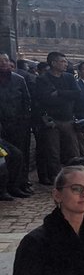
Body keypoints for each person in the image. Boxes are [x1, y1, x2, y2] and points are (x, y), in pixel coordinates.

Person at [34, 51, 82, 183]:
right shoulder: (43, 79)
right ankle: (57, 180)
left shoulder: (69, 78)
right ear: (53, 63)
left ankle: (75, 177)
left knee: (73, 151)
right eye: (62, 61)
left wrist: (59, 93)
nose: (65, 64)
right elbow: (45, 99)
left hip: (68, 119)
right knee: (53, 152)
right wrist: (66, 97)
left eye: (66, 62)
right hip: (52, 120)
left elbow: (77, 94)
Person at [1, 53, 33, 191]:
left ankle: (20, 184)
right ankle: (5, 187)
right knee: (5, 157)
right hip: (1, 126)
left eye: (5, 60)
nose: (3, 63)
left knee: (22, 155)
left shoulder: (19, 79)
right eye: (0, 61)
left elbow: (27, 101)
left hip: (19, 124)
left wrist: (25, 121)